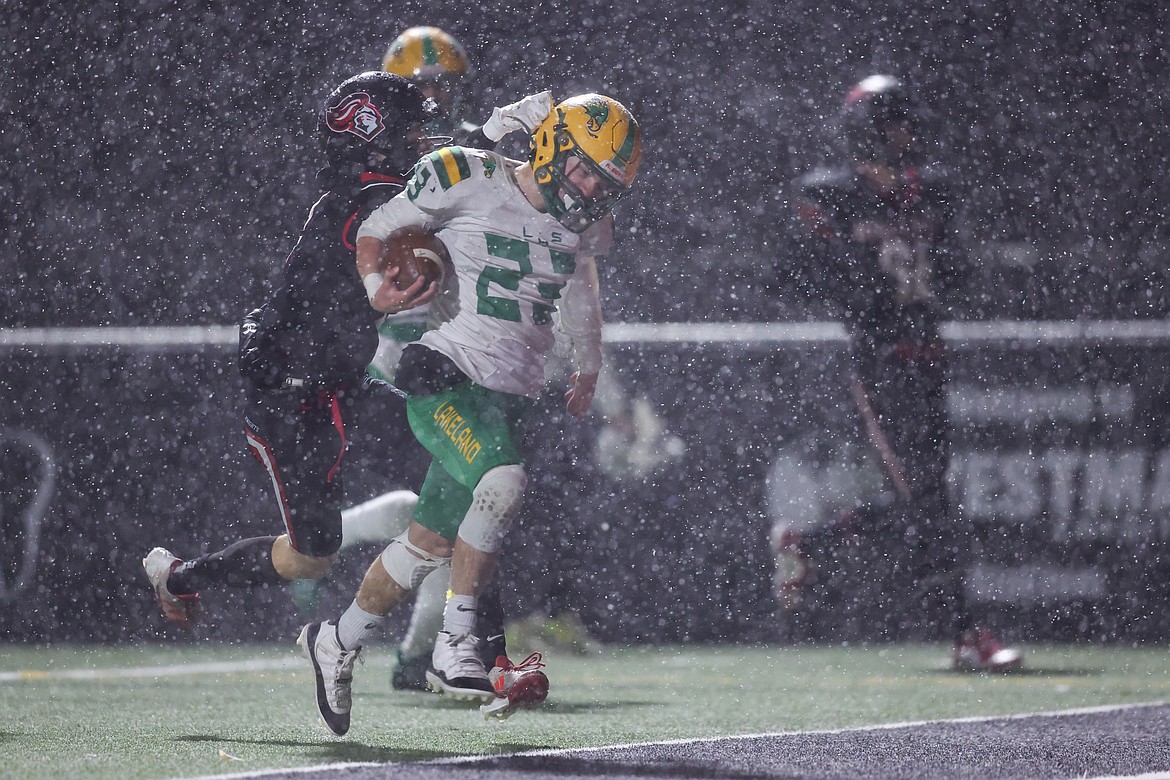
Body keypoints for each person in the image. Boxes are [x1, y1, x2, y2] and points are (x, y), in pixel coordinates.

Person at [297, 93, 642, 735]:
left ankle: (338, 639)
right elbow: (377, 227)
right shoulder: (470, 176)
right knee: (504, 480)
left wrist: (588, 362)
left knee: (425, 545)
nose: (590, 187)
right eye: (584, 168)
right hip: (443, 373)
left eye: (603, 180)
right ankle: (458, 647)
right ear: (549, 145)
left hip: (511, 396)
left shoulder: (582, 225)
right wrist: (379, 291)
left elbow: (578, 285)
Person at [141, 72, 440, 630]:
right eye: (410, 131)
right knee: (310, 557)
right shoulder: (371, 200)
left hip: (339, 378)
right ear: (373, 136)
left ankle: (451, 644)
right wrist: (501, 157)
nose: (423, 142)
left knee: (455, 451)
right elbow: (441, 209)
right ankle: (181, 576)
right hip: (293, 394)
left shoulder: (368, 193)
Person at [334, 26, 553, 693]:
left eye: (441, 84)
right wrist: (491, 133)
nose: (431, 97)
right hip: (400, 353)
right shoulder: (390, 146)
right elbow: (412, 191)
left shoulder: (459, 145)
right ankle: (462, 655)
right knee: (468, 499)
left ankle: (434, 655)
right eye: (419, 85)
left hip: (449, 349)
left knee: (456, 506)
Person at [785, 74, 1022, 672]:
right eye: (894, 124)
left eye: (906, 124)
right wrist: (858, 257)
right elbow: (806, 278)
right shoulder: (831, 194)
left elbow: (958, 272)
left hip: (928, 355)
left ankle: (808, 542)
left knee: (928, 501)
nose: (905, 135)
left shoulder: (931, 192)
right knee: (926, 504)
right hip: (879, 363)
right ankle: (967, 633)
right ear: (870, 129)